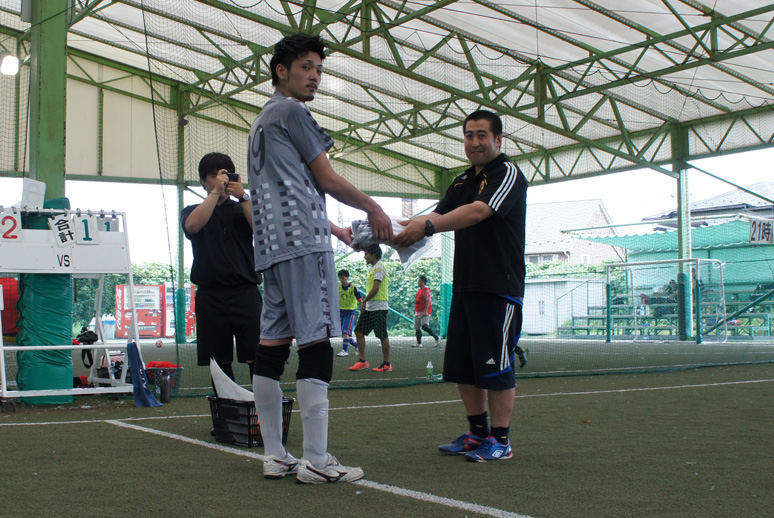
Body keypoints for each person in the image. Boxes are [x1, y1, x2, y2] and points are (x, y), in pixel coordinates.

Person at [247, 34, 392, 484]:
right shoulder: (293, 111)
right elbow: (325, 178)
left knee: (271, 347)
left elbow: (288, 188)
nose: (314, 76)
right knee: (315, 344)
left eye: (319, 69)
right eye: (306, 67)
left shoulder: (262, 120)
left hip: (271, 248)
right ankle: (316, 460)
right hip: (304, 247)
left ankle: (275, 455)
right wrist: (373, 208)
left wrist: (337, 229)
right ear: (282, 71)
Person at [394, 110, 528, 462]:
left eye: (482, 135)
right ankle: (477, 433)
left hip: (498, 286)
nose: (474, 142)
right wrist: (388, 228)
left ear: (498, 140)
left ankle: (501, 441)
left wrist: (425, 227)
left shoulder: (507, 173)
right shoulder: (462, 181)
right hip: (466, 286)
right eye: (469, 135)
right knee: (464, 365)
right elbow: (435, 216)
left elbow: (477, 212)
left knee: (497, 366)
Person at [180, 152, 260, 385]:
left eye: (225, 175)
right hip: (210, 295)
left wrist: (243, 196)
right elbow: (192, 226)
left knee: (258, 356)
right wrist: (215, 193)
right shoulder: (192, 210)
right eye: (213, 176)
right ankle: (227, 406)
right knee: (218, 361)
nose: (221, 180)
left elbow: (261, 231)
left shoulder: (243, 206)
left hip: (245, 292)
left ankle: (263, 406)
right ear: (203, 181)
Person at [349, 245, 392, 372]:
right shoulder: (373, 268)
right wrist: (366, 303)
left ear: (373, 255)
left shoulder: (379, 267)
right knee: (359, 331)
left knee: (382, 335)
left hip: (379, 307)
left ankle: (387, 364)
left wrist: (364, 301)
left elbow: (376, 288)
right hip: (370, 307)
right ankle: (362, 361)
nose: (364, 257)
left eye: (366, 254)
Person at [336, 269, 362, 357]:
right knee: (344, 334)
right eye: (340, 278)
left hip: (350, 312)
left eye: (342, 278)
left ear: (347, 277)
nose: (341, 280)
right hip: (341, 312)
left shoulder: (354, 287)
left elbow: (359, 299)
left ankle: (345, 350)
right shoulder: (338, 287)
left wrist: (363, 308)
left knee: (345, 332)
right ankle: (357, 345)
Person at [412, 275, 440, 348]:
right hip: (418, 312)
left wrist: (425, 311)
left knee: (424, 326)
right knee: (417, 328)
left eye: (419, 281)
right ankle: (419, 343)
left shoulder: (426, 290)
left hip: (424, 312)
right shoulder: (419, 290)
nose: (418, 282)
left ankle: (436, 337)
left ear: (423, 282)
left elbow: (428, 300)